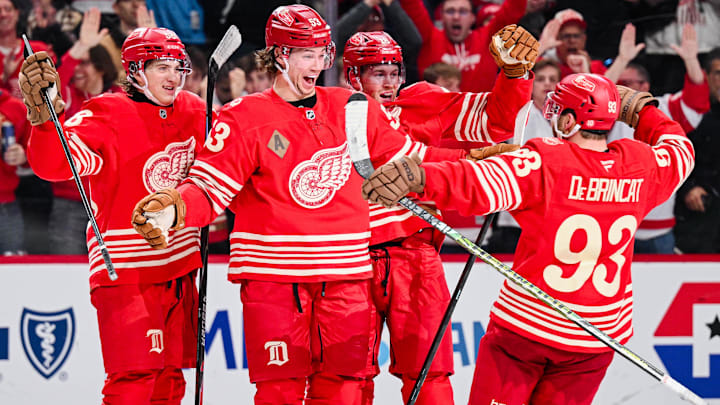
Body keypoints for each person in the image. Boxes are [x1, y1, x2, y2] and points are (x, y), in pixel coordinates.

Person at [130, 5, 441, 404]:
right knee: (280, 391)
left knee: (345, 389)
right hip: (274, 279)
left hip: (345, 275)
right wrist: (171, 209)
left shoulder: (350, 108)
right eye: (306, 54)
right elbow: (208, 188)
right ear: (280, 56)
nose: (317, 64)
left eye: (321, 53)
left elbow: (412, 160)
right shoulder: (244, 117)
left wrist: (478, 164)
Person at [360, 73, 694, 405]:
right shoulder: (641, 164)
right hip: (596, 339)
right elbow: (681, 151)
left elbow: (475, 183)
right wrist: (644, 111)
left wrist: (420, 176)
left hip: (526, 332)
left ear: (568, 120)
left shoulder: (546, 161)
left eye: (558, 110)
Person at [342, 27, 535, 404]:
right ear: (353, 76)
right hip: (348, 258)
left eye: (394, 72)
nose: (390, 83)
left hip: (415, 256)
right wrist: (467, 160)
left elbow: (495, 122)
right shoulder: (335, 110)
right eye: (378, 73)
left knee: (430, 374)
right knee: (346, 377)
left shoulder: (421, 101)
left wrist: (513, 76)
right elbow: (391, 156)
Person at [20, 27, 205, 403]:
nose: (173, 77)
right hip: (126, 270)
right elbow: (55, 165)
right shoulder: (106, 112)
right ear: (136, 70)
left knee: (171, 382)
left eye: (177, 67)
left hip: (181, 269)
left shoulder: (195, 109)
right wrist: (43, 123)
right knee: (134, 380)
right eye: (161, 68)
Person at [604, 22, 709, 254]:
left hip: (658, 230)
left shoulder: (663, 107)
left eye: (632, 84)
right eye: (622, 84)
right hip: (613, 227)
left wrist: (691, 60)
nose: (626, 89)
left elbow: (698, 101)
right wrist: (621, 60)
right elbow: (594, 95)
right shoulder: (606, 111)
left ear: (647, 86)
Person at [47, 8, 123, 255]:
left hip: (111, 204)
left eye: (86, 63)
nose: (78, 69)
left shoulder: (121, 100)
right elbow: (49, 90)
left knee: (109, 274)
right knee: (64, 271)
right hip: (69, 203)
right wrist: (77, 50)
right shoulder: (67, 95)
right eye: (76, 63)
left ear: (102, 66)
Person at [399, 0, 528, 92]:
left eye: (463, 11)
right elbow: (411, 5)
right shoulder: (430, 38)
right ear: (441, 17)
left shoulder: (488, 39)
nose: (456, 16)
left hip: (477, 122)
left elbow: (514, 8)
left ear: (473, 18)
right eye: (450, 11)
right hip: (437, 120)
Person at [675, 47, 720, 253]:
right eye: (718, 73)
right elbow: (674, 156)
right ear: (708, 77)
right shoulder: (690, 114)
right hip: (701, 215)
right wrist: (688, 188)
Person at [0, 89, 30, 255]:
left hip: (6, 204)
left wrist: (23, 155)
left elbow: (36, 154)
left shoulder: (16, 108)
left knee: (14, 265)